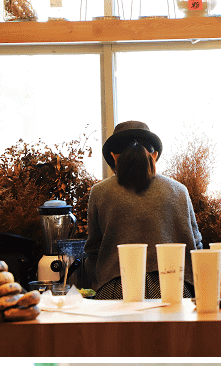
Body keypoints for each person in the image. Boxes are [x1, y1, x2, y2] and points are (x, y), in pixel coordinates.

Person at [84, 121, 203, 300]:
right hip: (174, 289)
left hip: (115, 291)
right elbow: (197, 247)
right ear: (154, 156)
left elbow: (93, 251)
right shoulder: (179, 190)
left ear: (114, 157)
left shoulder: (99, 192)